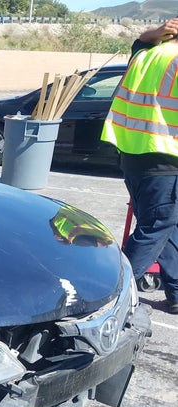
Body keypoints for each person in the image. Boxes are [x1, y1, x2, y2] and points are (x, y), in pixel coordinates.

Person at [102, 18, 178, 314]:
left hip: (134, 154)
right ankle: (112, 296)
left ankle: (175, 291)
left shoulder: (146, 54)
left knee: (167, 225)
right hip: (165, 156)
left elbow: (142, 39)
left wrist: (157, 32)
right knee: (156, 226)